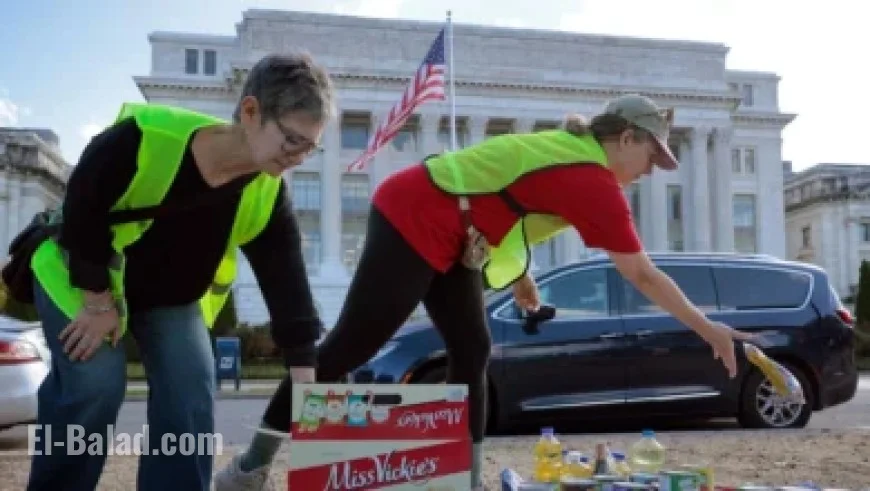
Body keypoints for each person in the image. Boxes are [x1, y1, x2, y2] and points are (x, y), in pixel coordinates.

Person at [215, 93, 755, 491]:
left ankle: (465, 479)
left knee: (472, 349)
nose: (652, 172)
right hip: (414, 210)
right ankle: (250, 467)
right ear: (627, 138)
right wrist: (710, 329)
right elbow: (642, 274)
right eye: (652, 157)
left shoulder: (574, 156)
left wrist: (519, 276)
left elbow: (509, 197)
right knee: (351, 346)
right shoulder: (592, 179)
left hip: (456, 234)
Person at [24, 52, 334, 491]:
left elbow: (286, 281)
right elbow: (82, 210)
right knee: (95, 384)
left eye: (311, 146)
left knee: (191, 392)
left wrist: (304, 372)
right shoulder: (143, 138)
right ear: (250, 112)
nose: (301, 157)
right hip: (82, 274)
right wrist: (96, 301)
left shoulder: (268, 193)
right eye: (293, 140)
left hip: (169, 298)